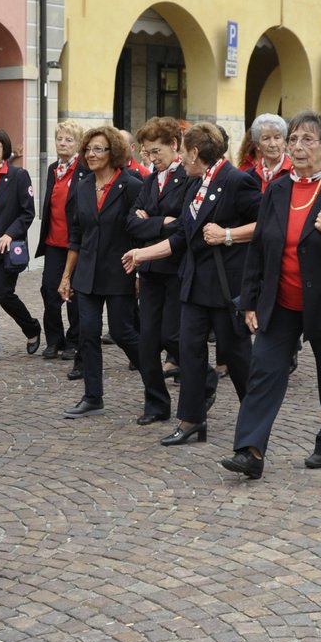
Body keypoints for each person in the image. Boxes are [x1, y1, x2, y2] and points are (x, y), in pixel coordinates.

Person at [217, 111, 321, 479]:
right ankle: (250, 452)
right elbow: (259, 249)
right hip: (282, 302)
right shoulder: (276, 190)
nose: (298, 147)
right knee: (264, 373)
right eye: (294, 140)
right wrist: (250, 300)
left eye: (308, 140)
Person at [123, 123, 258, 445]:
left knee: (237, 357)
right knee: (190, 352)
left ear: (195, 152)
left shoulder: (237, 180)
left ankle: (255, 419)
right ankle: (191, 420)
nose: (180, 159)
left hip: (226, 287)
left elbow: (267, 222)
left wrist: (227, 235)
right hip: (195, 283)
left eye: (182, 152)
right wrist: (142, 254)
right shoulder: (198, 183)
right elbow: (183, 234)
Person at [58, 125, 144, 418]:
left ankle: (154, 382)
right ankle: (92, 397)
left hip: (120, 271)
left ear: (113, 153)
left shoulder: (131, 185)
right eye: (88, 149)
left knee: (123, 333)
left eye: (98, 149)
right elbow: (77, 235)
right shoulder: (81, 187)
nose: (91, 154)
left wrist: (139, 273)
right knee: (88, 333)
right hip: (86, 274)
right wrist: (67, 276)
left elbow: (140, 234)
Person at [127, 116, 192, 426]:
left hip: (176, 269)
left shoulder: (188, 179)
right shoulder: (150, 181)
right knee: (148, 340)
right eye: (147, 153)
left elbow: (182, 224)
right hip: (150, 269)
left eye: (157, 151)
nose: (151, 159)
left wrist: (151, 221)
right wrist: (159, 222)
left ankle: (203, 379)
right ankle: (156, 403)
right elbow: (132, 222)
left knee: (173, 336)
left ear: (174, 146)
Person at [0, 127, 42, 364]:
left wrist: (10, 234)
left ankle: (31, 327)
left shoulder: (18, 176)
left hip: (6, 248)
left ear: (5, 150)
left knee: (4, 293)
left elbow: (27, 212)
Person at [36, 120, 84, 361]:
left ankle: (74, 340)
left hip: (76, 243)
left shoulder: (84, 169)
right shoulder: (54, 168)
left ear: (78, 144)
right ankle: (54, 340)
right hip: (54, 242)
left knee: (74, 293)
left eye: (69, 139)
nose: (63, 143)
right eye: (60, 139)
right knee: (49, 290)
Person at [249, 114, 292, 191]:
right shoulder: (249, 176)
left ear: (284, 142)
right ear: (257, 145)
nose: (273, 144)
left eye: (277, 138)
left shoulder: (295, 173)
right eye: (266, 138)